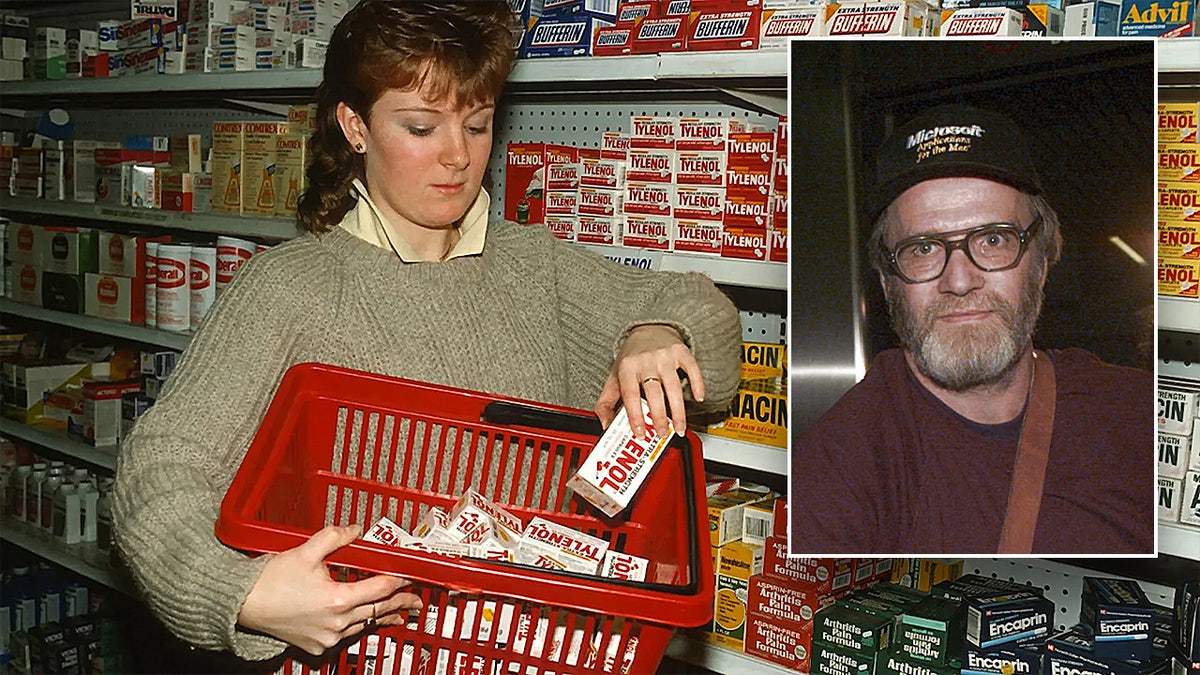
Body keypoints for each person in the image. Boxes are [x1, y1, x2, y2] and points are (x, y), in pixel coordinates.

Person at [113, 0, 741, 665]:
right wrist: (241, 592)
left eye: (477, 126)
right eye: (420, 127)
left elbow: (703, 320)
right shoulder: (290, 288)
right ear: (354, 126)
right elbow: (157, 468)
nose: (456, 157)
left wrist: (653, 329)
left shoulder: (535, 266)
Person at [791, 104, 1153, 555]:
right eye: (922, 248)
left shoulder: (1138, 417)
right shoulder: (839, 468)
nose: (959, 281)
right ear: (888, 283)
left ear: (1042, 262)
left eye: (994, 240)